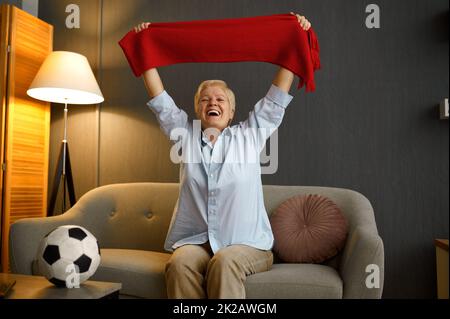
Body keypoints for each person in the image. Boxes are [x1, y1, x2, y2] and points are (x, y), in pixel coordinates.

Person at [134, 13, 312, 299]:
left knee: (225, 261)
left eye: (221, 100)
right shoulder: (185, 136)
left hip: (248, 246)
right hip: (197, 243)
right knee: (179, 264)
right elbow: (161, 103)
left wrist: (295, 37)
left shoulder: (250, 134)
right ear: (198, 111)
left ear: (230, 113)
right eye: (205, 99)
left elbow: (276, 99)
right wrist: (145, 46)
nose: (212, 102)